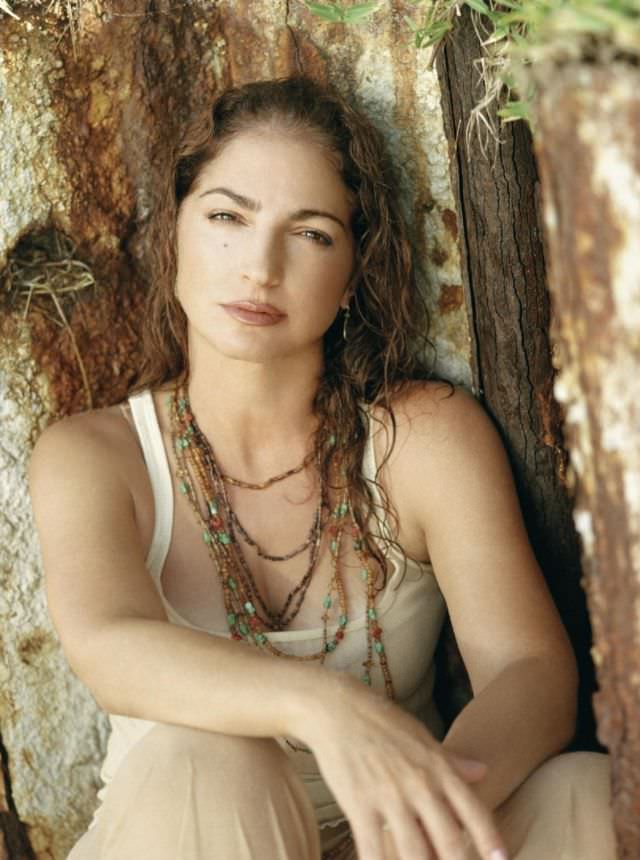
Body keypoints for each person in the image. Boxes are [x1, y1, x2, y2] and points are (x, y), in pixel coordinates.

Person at [29, 76, 613, 860]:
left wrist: (426, 813)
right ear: (175, 238)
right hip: (191, 833)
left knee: (589, 797)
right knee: (215, 756)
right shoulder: (96, 455)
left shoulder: (422, 438)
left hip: (392, 840)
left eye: (310, 233)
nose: (260, 266)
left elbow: (530, 670)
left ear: (351, 275)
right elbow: (109, 647)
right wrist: (324, 708)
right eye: (227, 217)